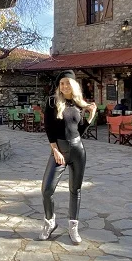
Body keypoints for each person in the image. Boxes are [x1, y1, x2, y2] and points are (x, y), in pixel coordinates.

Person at [39, 70, 96, 245]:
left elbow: (79, 131)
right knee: (47, 190)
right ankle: (50, 222)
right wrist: (55, 150)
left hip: (78, 150)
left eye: (67, 83)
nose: (64, 86)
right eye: (61, 83)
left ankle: (73, 227)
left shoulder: (78, 105)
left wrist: (90, 117)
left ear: (74, 85)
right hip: (59, 151)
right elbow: (48, 128)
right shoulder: (52, 102)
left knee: (75, 190)